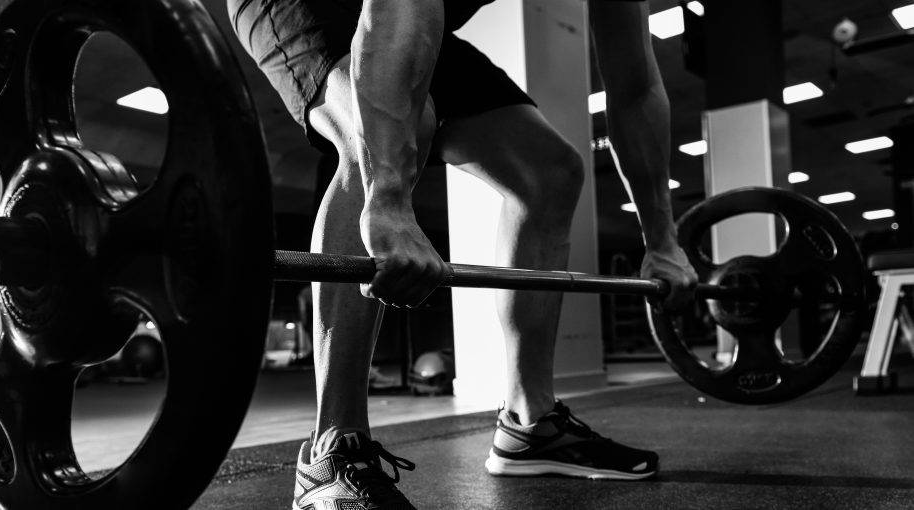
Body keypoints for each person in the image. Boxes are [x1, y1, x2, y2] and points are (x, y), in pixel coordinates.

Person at [228, 0, 697, 508]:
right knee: (400, 125)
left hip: (421, 15)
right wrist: (387, 196)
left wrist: (662, 241)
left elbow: (636, 88)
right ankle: (332, 453)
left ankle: (529, 422)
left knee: (551, 172)